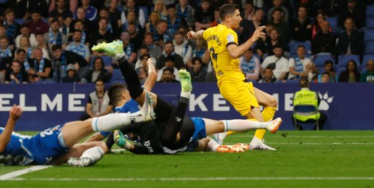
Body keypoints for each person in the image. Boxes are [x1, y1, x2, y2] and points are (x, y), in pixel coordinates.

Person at [91, 43, 282, 154]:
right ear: (123, 95)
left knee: (199, 140)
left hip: (167, 136)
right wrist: (150, 64)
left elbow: (99, 136)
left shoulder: (117, 119)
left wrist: (81, 146)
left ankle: (218, 143)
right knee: (221, 125)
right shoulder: (136, 98)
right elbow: (152, 78)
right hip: (172, 120)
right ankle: (261, 126)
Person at [0, 88, 155, 166]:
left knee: (101, 147)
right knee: (88, 125)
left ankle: (84, 161)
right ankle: (138, 117)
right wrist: (12, 121)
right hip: (39, 145)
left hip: (40, 158)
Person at [187, 4, 279, 150]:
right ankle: (252, 140)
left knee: (271, 102)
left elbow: (201, 33)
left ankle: (236, 136)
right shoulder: (229, 34)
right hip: (232, 82)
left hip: (234, 81)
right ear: (228, 18)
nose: (241, 18)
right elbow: (234, 53)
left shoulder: (212, 31)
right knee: (258, 119)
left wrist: (193, 33)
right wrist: (253, 38)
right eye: (238, 15)